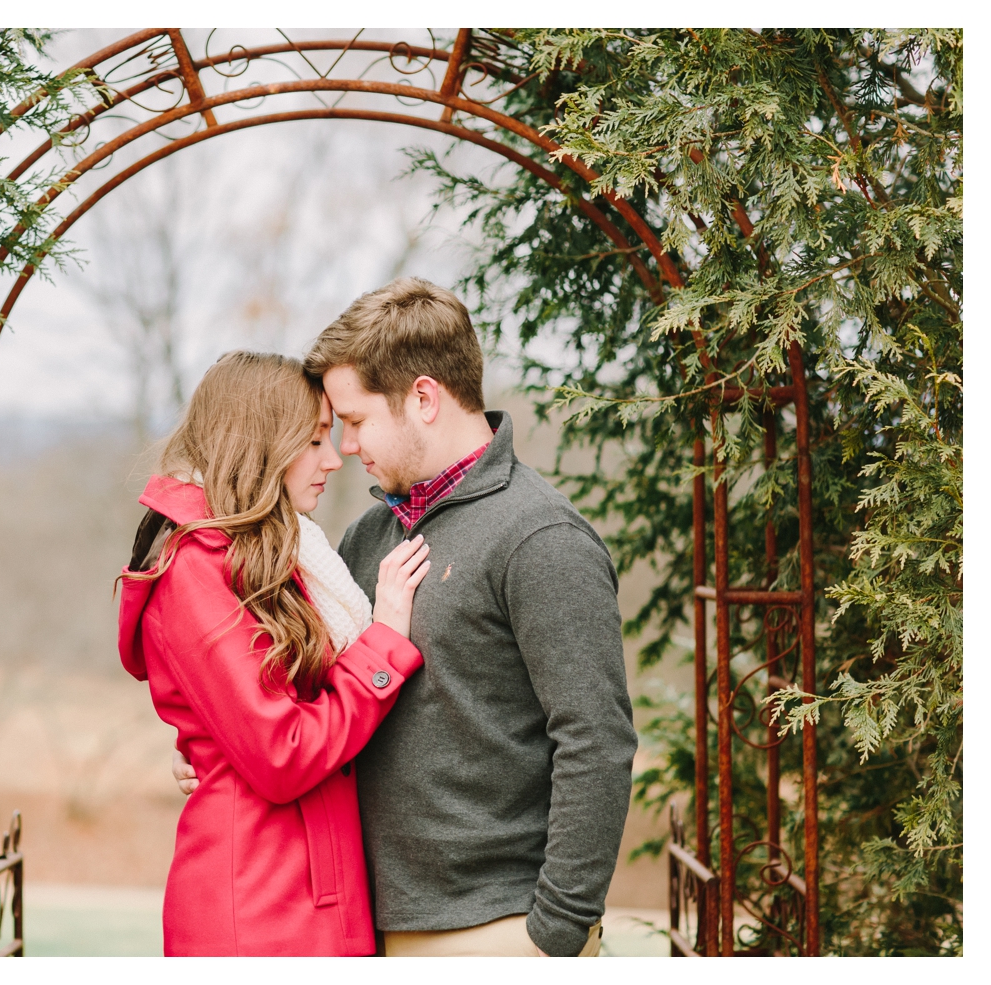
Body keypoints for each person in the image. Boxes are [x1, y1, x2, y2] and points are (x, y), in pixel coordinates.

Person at [175, 280, 637, 957]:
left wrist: (556, 933)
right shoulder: (367, 539)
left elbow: (596, 741)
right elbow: (317, 708)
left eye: (356, 420)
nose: (347, 446)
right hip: (365, 928)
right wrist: (225, 749)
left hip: (497, 932)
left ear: (423, 398)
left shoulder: (541, 538)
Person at [118, 350, 433, 956]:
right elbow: (282, 752)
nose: (334, 458)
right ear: (261, 444)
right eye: (314, 441)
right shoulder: (196, 570)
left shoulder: (283, 554)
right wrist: (385, 644)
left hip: (313, 890)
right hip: (260, 908)